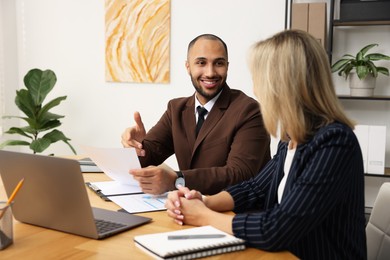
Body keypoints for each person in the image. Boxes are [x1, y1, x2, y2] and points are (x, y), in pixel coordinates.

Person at [165, 30, 367, 259]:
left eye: (259, 79)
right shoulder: (291, 138)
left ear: (284, 84)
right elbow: (255, 189)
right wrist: (205, 201)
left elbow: (278, 228)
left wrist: (203, 216)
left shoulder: (334, 143)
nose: (256, 89)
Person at [121, 34, 271, 195]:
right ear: (188, 67)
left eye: (219, 63)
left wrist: (176, 180)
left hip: (234, 213)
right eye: (201, 63)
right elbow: (147, 159)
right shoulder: (176, 109)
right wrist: (138, 147)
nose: (210, 72)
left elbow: (239, 174)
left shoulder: (249, 111)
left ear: (227, 66)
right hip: (189, 208)